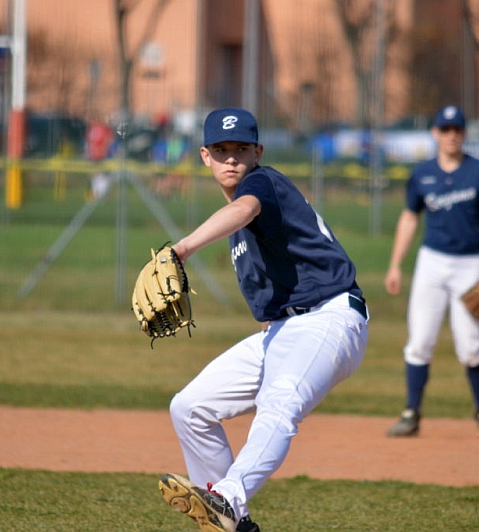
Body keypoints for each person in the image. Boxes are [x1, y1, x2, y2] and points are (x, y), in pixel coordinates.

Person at [158, 107, 369, 532]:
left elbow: (245, 208)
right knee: (190, 407)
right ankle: (230, 523)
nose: (231, 158)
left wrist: (181, 250)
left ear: (258, 151)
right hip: (285, 331)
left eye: (240, 148)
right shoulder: (239, 232)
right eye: (221, 150)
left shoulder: (262, 184)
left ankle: (228, 499)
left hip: (330, 318)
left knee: (279, 404)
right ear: (205, 156)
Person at [383, 105, 479, 439]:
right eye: (446, 128)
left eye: (457, 129)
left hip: (471, 264)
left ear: (464, 134)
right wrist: (395, 264)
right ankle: (411, 414)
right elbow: (410, 218)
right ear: (435, 133)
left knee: (470, 344)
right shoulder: (422, 174)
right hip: (432, 263)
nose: (452, 134)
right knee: (420, 341)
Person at [85, 116, 114, 200]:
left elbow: (108, 141)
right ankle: (97, 193)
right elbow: (90, 142)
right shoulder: (92, 129)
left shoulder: (104, 129)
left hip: (103, 156)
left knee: (103, 175)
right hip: (95, 155)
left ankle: (103, 194)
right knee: (95, 175)